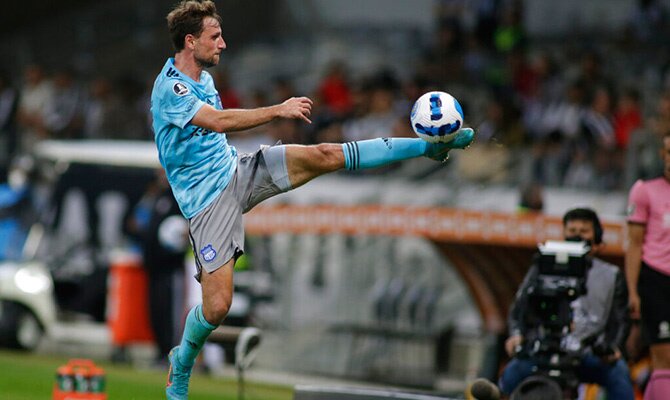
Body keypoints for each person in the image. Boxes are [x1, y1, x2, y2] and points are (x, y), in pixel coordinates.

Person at [149, 1, 475, 398]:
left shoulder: (204, 77)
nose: (223, 43)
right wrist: (279, 110)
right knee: (217, 308)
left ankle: (430, 149)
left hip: (239, 171)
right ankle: (181, 361)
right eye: (215, 37)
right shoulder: (171, 88)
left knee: (325, 154)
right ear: (190, 40)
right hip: (207, 204)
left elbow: (218, 134)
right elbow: (217, 122)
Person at [499, 208, 634, 399]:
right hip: (544, 348)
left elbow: (621, 319)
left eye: (584, 231)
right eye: (572, 231)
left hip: (588, 353)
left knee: (618, 373)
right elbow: (520, 306)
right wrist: (517, 335)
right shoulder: (542, 266)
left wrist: (612, 348)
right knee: (512, 373)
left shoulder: (611, 276)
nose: (577, 236)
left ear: (596, 239)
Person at [626, 131, 670, 399]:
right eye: (667, 151)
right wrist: (633, 291)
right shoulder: (645, 190)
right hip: (657, 279)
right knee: (664, 355)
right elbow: (633, 244)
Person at [128, 169, 187, 367]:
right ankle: (160, 351)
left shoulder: (180, 199)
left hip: (170, 268)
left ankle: (172, 355)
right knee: (156, 312)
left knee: (170, 312)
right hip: (154, 268)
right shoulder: (157, 199)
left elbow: (182, 232)